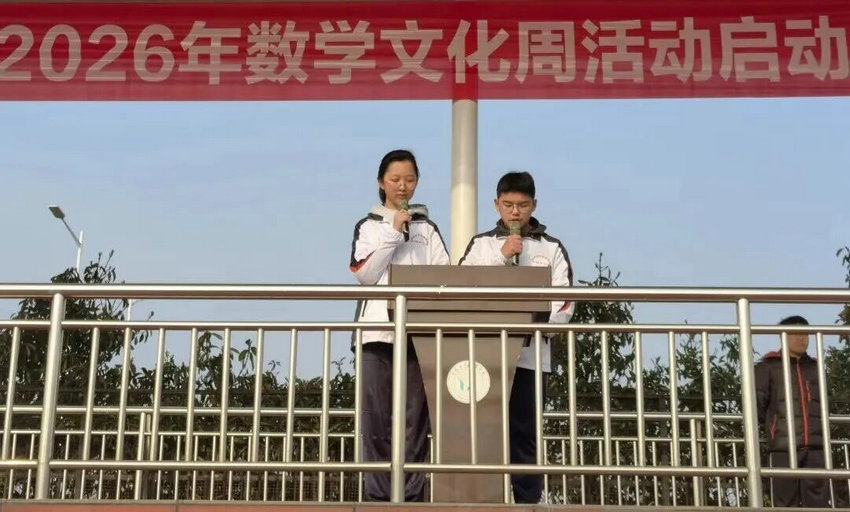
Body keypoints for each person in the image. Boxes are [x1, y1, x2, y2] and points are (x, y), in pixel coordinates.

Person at [459, 171, 574, 503]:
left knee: (525, 433)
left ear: (533, 205)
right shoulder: (481, 245)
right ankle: (484, 501)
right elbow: (462, 286)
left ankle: (528, 502)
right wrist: (502, 254)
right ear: (496, 204)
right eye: (508, 204)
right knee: (484, 432)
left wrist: (531, 326)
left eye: (522, 205)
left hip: (531, 359)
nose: (514, 212)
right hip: (485, 356)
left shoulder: (551, 248)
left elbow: (565, 302)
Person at [349, 149, 450, 501]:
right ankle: (378, 498)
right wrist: (393, 233)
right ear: (381, 183)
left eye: (409, 179)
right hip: (376, 335)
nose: (402, 186)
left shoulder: (428, 229)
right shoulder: (368, 226)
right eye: (395, 179)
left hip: (417, 337)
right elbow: (365, 274)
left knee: (414, 422)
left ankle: (411, 498)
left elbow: (444, 277)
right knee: (376, 421)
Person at [755, 315, 830, 508]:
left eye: (805, 333)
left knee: (819, 504)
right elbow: (757, 405)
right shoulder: (767, 366)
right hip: (783, 447)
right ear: (783, 336)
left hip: (816, 447)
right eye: (795, 333)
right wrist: (772, 428)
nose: (801, 338)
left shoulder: (816, 367)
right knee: (784, 503)